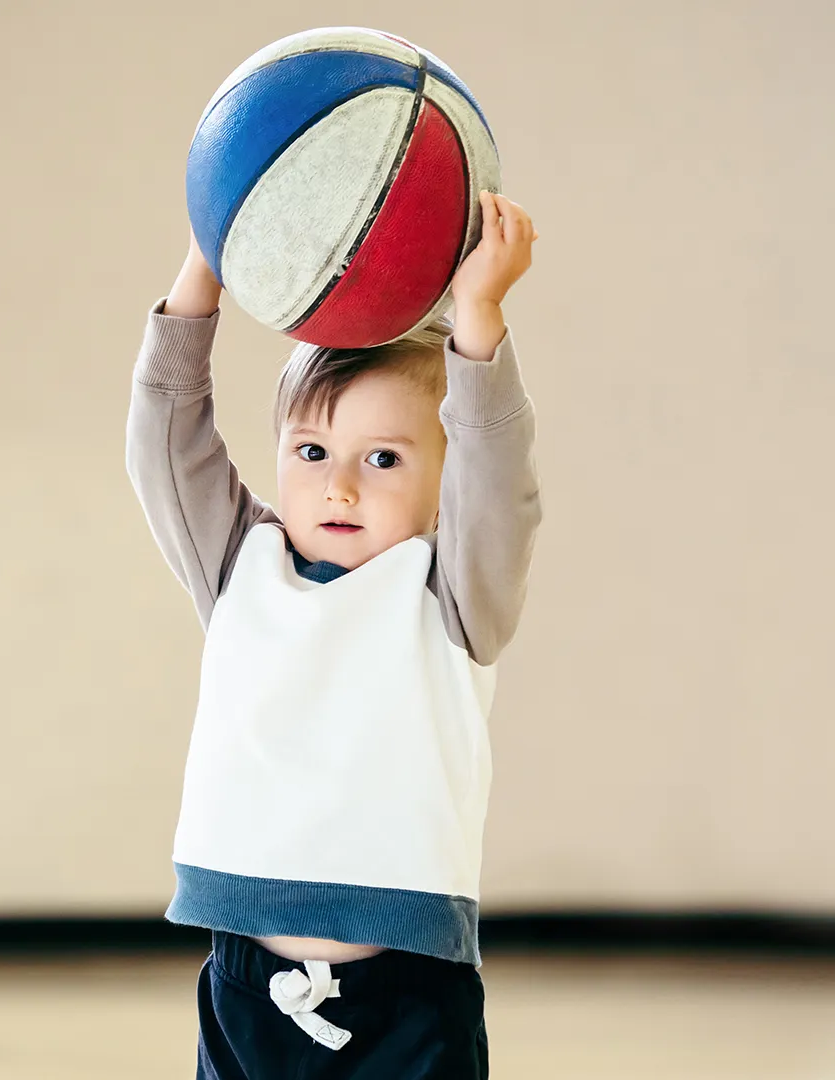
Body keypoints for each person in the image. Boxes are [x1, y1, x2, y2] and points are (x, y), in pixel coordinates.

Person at [127, 191, 541, 1078]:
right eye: (312, 452)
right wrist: (205, 267)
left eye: (383, 457)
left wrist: (478, 320)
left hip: (409, 996)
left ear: (442, 479)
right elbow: (167, 442)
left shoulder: (451, 592)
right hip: (248, 989)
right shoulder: (243, 565)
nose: (339, 486)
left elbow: (498, 480)